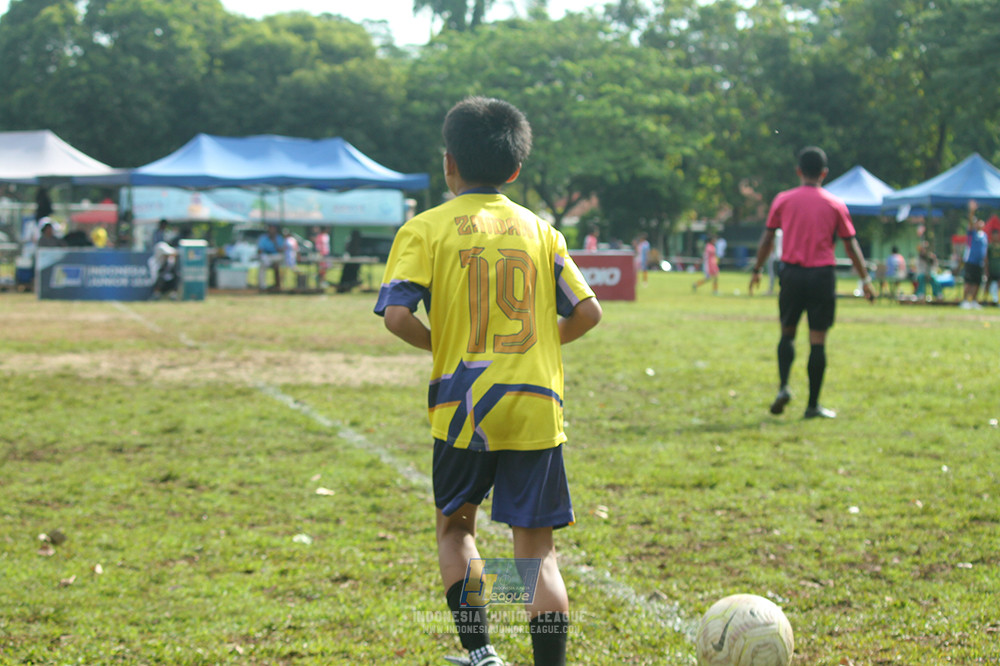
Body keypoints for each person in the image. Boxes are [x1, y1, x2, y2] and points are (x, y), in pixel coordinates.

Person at [374, 96, 602, 666]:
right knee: (537, 555)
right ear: (516, 169)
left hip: (464, 405)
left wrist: (444, 344)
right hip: (535, 403)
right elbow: (588, 312)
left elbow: (398, 316)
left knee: (456, 531)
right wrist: (542, 345)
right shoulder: (542, 231)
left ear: (449, 163)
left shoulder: (424, 229)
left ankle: (482, 655)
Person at [749, 146, 874, 419]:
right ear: (824, 173)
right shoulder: (835, 204)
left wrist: (757, 269)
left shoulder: (783, 200)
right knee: (818, 340)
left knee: (787, 333)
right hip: (821, 277)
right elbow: (850, 245)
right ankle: (812, 405)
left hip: (791, 275)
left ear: (798, 171)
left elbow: (767, 239)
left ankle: (783, 387)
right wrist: (865, 278)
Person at [960, 201, 988, 309]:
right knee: (968, 282)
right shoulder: (972, 233)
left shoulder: (984, 236)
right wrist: (972, 211)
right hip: (970, 261)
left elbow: (984, 251)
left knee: (977, 282)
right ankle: (965, 301)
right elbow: (971, 223)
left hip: (979, 263)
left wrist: (986, 265)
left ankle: (974, 301)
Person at [257, 225, 284, 291]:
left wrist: (274, 242)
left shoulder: (279, 238)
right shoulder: (263, 238)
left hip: (276, 256)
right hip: (267, 256)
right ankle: (262, 286)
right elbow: (260, 250)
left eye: (273, 230)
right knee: (262, 266)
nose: (272, 231)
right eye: (270, 229)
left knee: (278, 262)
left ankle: (278, 286)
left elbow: (281, 250)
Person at [986, 227, 1000, 305]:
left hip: (998, 269)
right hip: (991, 269)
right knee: (987, 285)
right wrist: (986, 270)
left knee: (998, 285)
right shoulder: (990, 246)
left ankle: (997, 300)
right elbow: (986, 258)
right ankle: (985, 300)